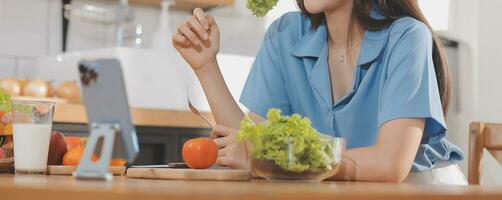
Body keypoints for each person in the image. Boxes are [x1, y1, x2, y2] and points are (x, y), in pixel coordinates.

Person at [172, 0, 465, 184]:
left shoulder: (408, 36)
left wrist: (280, 160)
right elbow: (251, 146)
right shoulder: (284, 34)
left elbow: (390, 165)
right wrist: (206, 66)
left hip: (420, 189)